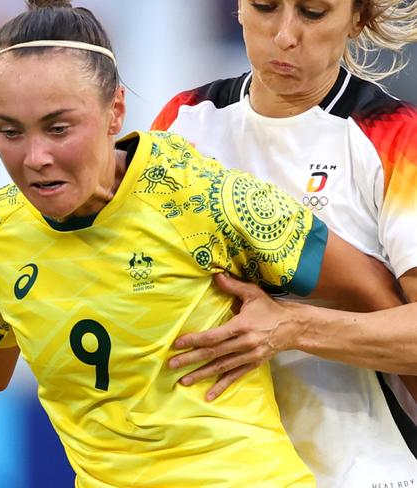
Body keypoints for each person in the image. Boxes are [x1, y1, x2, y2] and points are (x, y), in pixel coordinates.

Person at [0, 1, 405, 486]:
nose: (36, 157)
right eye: (9, 131)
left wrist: (291, 326)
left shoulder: (223, 188)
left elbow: (384, 304)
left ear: (115, 112)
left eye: (59, 128)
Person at [152, 0, 417, 486]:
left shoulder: (394, 137)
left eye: (313, 13)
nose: (285, 35)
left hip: (358, 469)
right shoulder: (186, 120)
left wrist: (291, 326)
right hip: (217, 469)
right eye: (265, 7)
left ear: (357, 17)